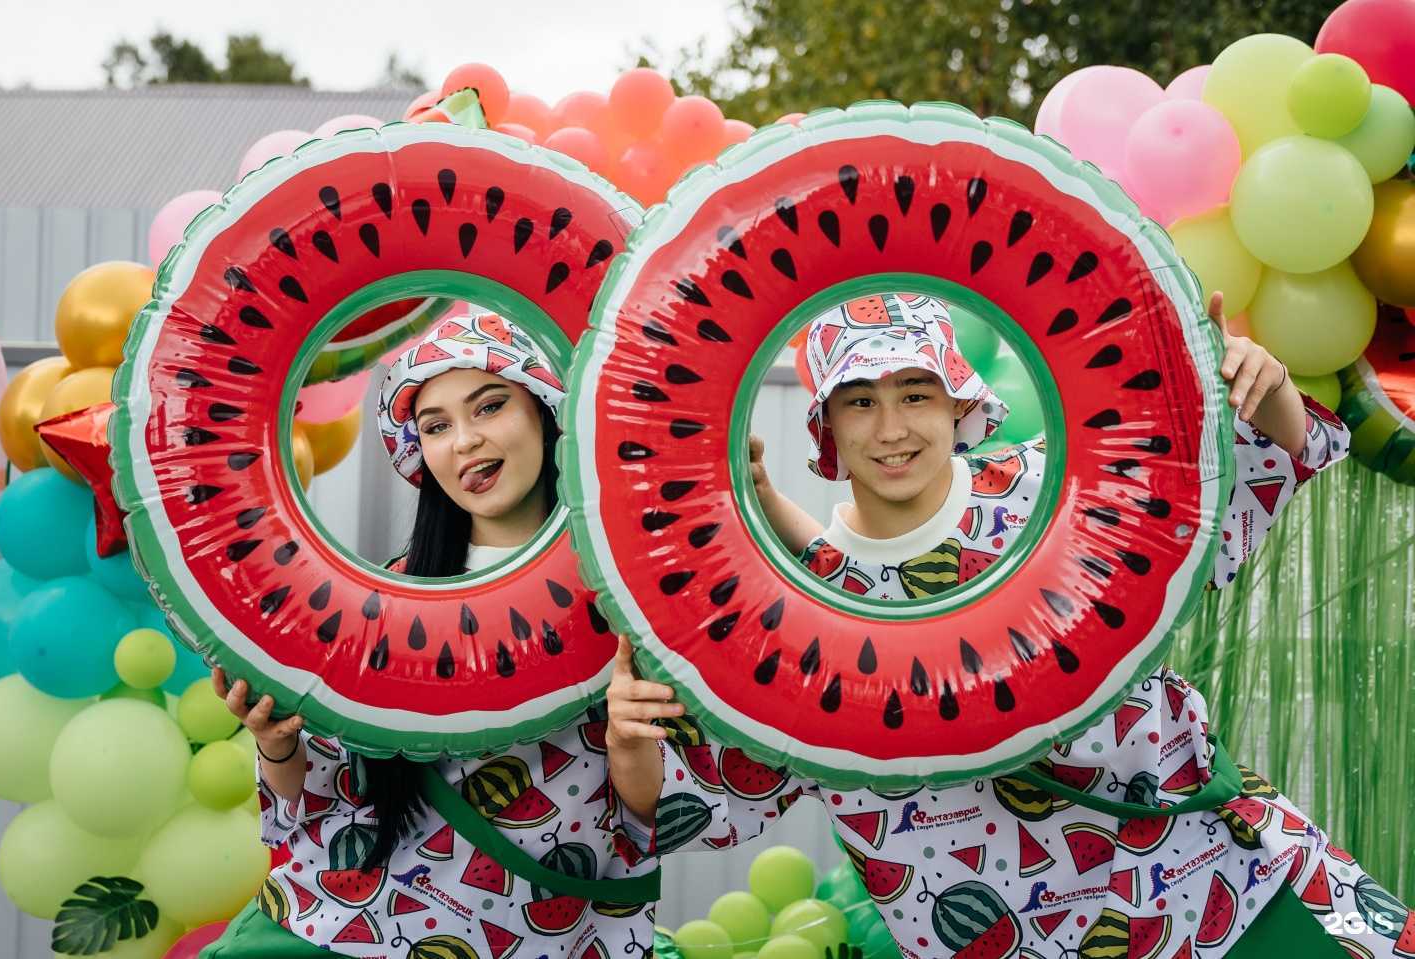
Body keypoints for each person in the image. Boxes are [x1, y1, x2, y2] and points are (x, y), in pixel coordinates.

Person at [607, 293, 1411, 958]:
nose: (891, 429)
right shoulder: (795, 618)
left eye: (914, 393)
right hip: (1017, 941)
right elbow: (691, 799)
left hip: (1222, 887)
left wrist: (1263, 386)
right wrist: (627, 740)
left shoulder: (1052, 486)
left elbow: (1258, 467)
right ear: (827, 427)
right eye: (860, 401)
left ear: (958, 399)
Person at [203, 314, 657, 959]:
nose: (465, 442)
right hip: (357, 930)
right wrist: (275, 745)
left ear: (546, 412)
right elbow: (320, 801)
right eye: (436, 426)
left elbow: (663, 815)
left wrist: (626, 743)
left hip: (550, 939)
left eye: (490, 406)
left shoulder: (631, 596)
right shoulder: (382, 599)